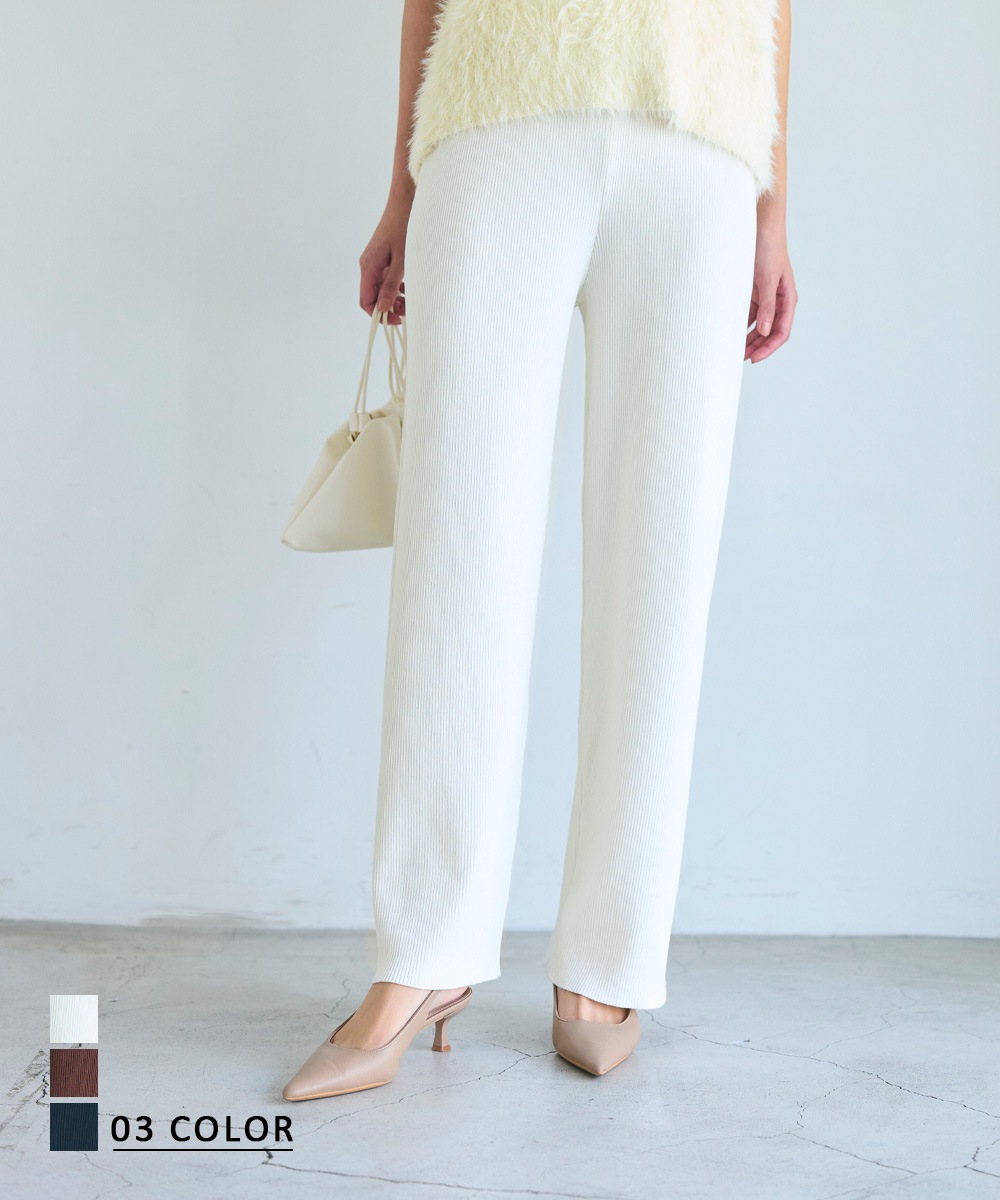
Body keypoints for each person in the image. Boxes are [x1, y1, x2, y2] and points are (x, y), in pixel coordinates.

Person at [283, 0, 796, 1101]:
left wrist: (772, 202)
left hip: (700, 132)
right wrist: (403, 186)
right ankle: (423, 954)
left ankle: (609, 963)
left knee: (662, 570)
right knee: (455, 551)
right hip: (495, 109)